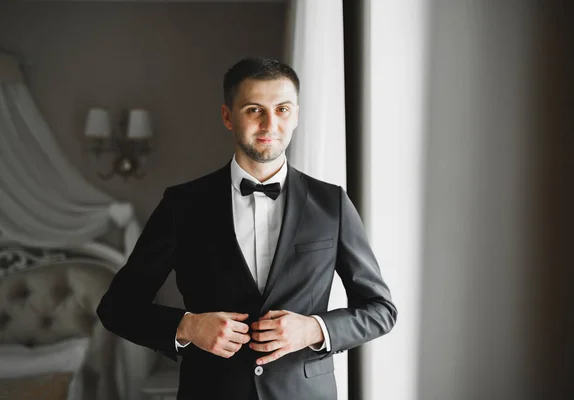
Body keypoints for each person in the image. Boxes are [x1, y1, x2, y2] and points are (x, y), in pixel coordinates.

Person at [97, 57, 397, 400]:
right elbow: (117, 307)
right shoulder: (182, 205)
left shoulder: (332, 204)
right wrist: (188, 326)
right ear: (228, 116)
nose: (270, 124)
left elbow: (380, 310)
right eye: (255, 110)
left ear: (296, 115)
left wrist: (314, 329)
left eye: (282, 109)